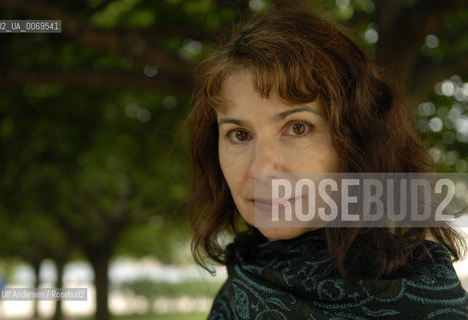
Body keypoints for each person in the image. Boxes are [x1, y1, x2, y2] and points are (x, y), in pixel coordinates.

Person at [184, 4, 468, 319]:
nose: (261, 169)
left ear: (357, 141)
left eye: (297, 128)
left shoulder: (424, 301)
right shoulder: (237, 291)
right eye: (239, 134)